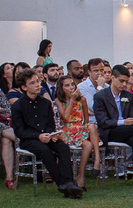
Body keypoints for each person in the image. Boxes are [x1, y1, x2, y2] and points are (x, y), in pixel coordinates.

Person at [11, 68, 81, 198]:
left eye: (37, 81)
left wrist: (52, 134)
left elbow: (50, 124)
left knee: (63, 147)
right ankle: (64, 184)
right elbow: (19, 131)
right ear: (24, 87)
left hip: (47, 136)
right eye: (32, 83)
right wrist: (38, 136)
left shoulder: (45, 103)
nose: (37, 85)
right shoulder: (17, 106)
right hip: (30, 140)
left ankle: (69, 182)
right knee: (44, 150)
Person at [54, 75, 102, 185]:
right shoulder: (59, 100)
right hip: (67, 130)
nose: (71, 87)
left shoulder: (82, 100)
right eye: (67, 85)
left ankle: (82, 174)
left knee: (91, 126)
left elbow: (85, 119)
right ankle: (90, 167)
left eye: (72, 84)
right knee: (89, 143)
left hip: (80, 128)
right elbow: (65, 117)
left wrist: (84, 130)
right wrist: (71, 100)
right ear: (61, 88)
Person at [77, 58, 106, 122]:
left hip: (106, 121)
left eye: (102, 70)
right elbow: (94, 107)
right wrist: (100, 87)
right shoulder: (82, 87)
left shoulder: (107, 86)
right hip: (91, 122)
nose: (100, 73)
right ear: (89, 72)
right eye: (96, 71)